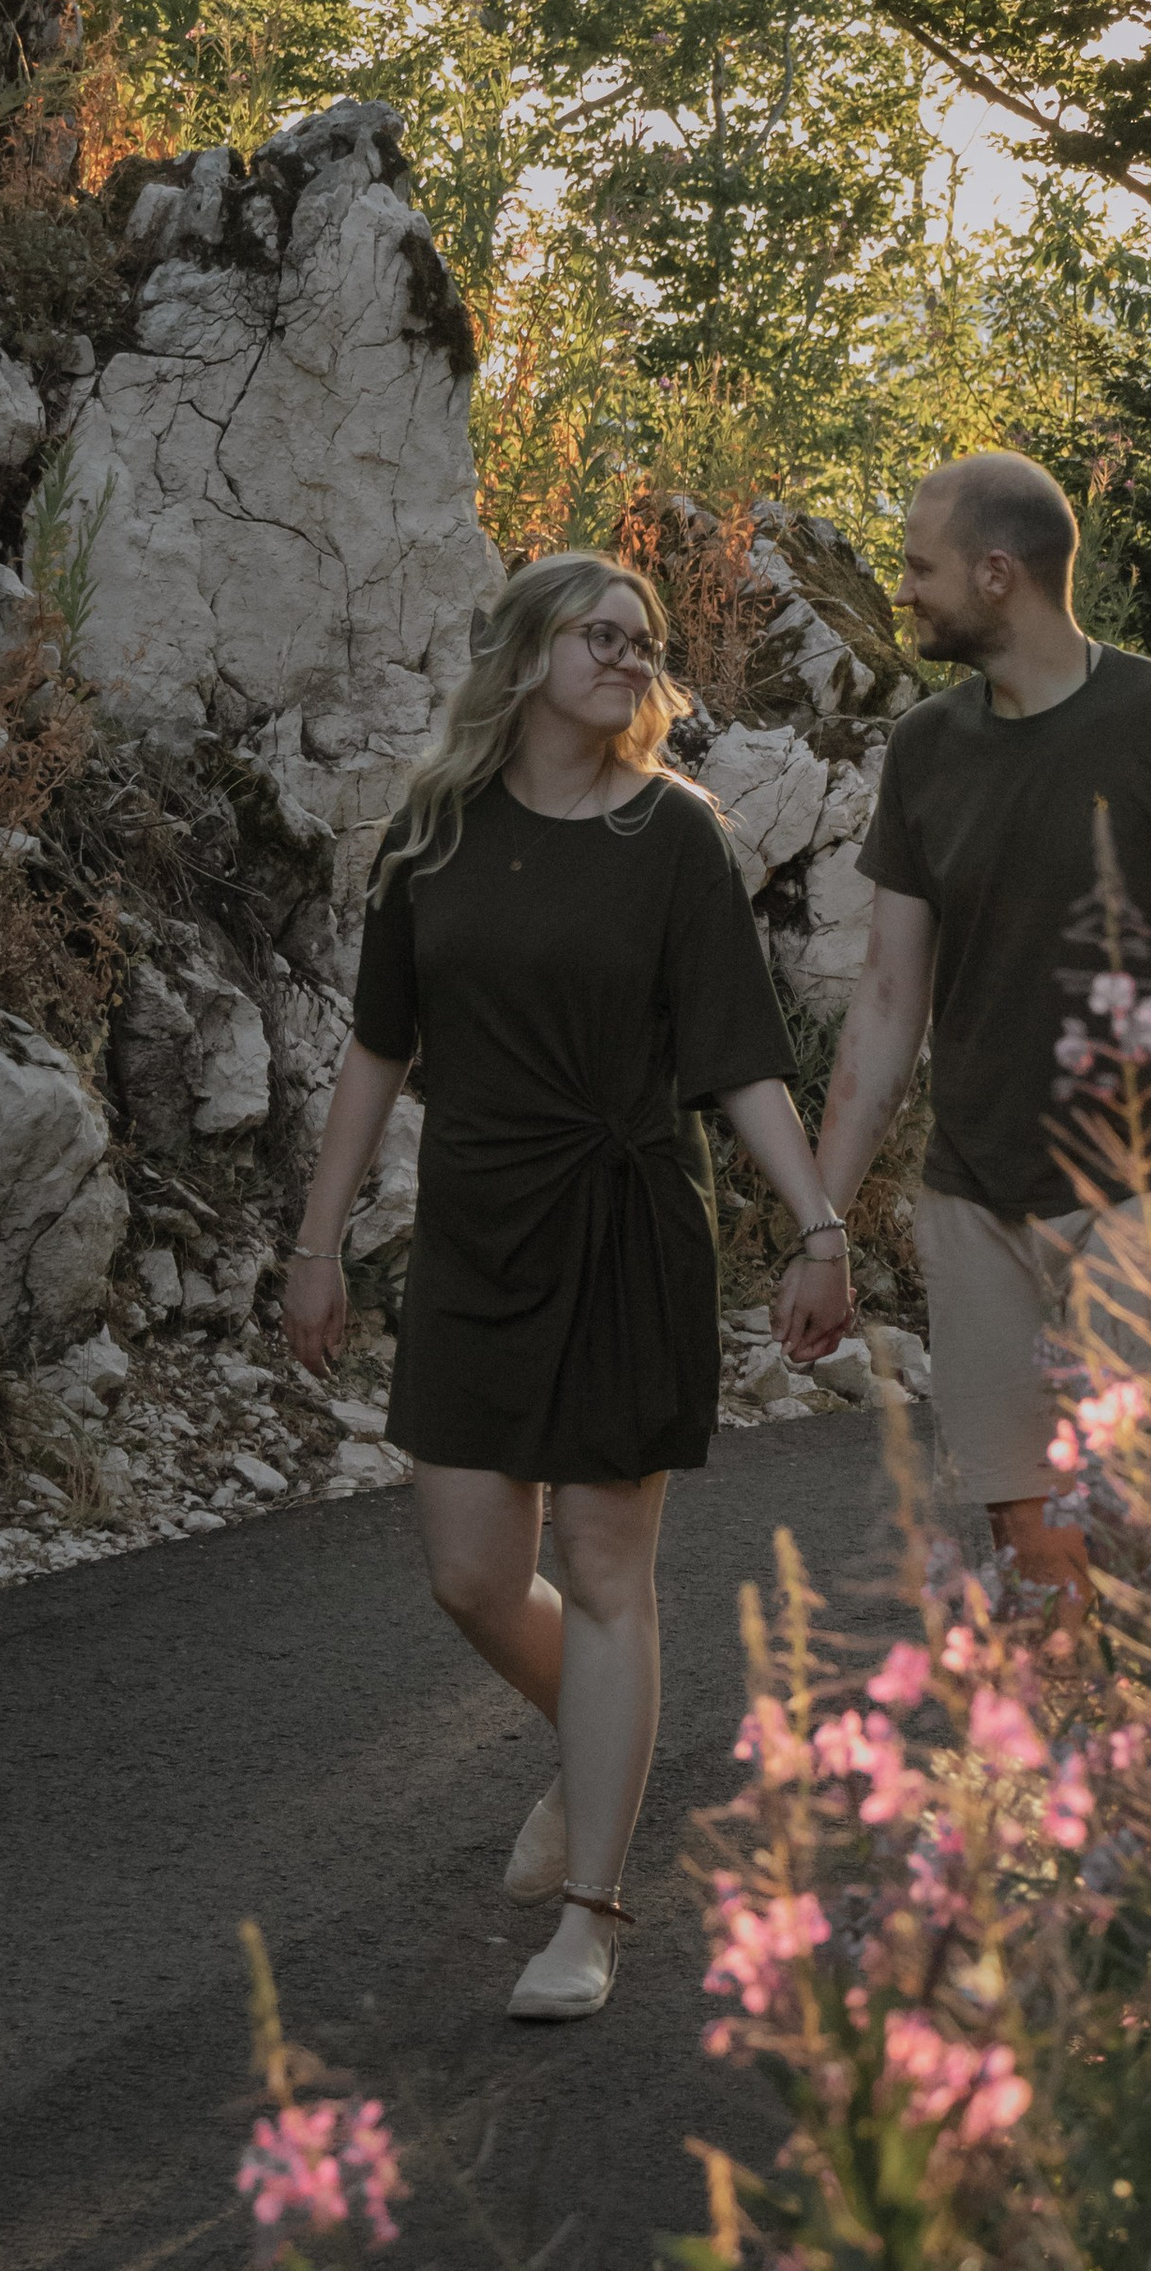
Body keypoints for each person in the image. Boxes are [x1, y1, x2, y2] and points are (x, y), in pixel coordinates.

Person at [282, 548, 851, 2025]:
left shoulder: (676, 837)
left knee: (609, 1573)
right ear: (526, 655)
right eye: (601, 635)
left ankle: (592, 1911)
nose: (629, 660)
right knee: (469, 1570)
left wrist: (818, 1227)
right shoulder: (437, 829)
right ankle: (593, 1745)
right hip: (477, 1227)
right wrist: (315, 1239)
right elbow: (375, 1051)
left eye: (644, 645)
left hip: (624, 1220)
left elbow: (738, 1057)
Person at [777, 451, 1151, 1604]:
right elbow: (888, 998)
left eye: (920, 566)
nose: (903, 590)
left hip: (1144, 1195)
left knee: (1142, 1527)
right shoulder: (925, 748)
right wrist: (822, 1222)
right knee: (1034, 1545)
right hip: (975, 1203)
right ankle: (1057, 1768)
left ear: (996, 573)